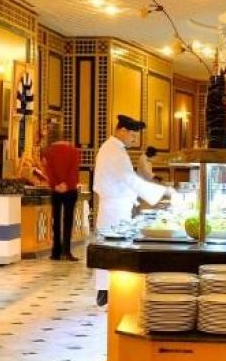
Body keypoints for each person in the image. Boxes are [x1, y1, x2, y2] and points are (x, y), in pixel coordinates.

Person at [92, 115, 168, 306]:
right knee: (112, 249)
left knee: (111, 248)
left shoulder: (114, 148)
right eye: (132, 136)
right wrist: (162, 192)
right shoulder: (113, 150)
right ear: (122, 131)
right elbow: (130, 179)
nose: (134, 140)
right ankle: (107, 292)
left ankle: (107, 291)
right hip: (114, 209)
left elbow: (126, 179)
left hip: (117, 206)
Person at [41, 118, 81, 262]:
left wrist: (56, 184)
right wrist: (66, 184)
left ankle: (56, 252)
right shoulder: (73, 151)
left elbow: (49, 171)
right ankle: (67, 251)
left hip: (56, 191)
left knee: (56, 220)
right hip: (70, 190)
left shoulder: (48, 152)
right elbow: (73, 170)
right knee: (68, 220)